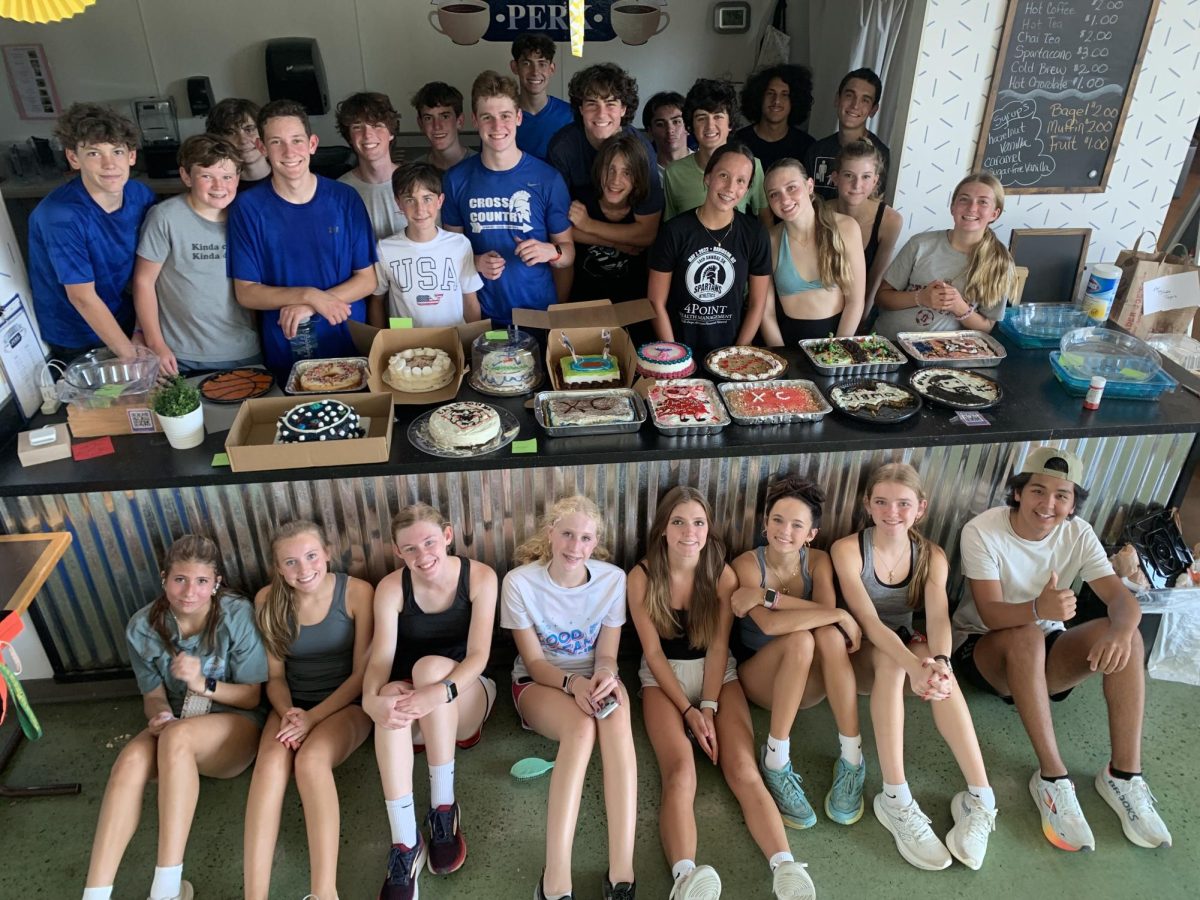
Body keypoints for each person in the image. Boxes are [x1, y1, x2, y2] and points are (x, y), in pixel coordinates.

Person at [952, 446, 1172, 852]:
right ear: (1018, 492)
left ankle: (1124, 775)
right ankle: (1052, 779)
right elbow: (988, 610)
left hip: (1045, 652)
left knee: (1128, 634)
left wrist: (1121, 631)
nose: (1048, 504)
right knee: (1027, 634)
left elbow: (1122, 601)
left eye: (1061, 496)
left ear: (1073, 504)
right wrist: (1038, 608)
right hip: (983, 649)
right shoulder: (982, 530)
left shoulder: (1078, 533)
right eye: (1038, 490)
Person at [627, 486, 817, 900]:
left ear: (709, 529)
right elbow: (653, 654)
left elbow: (718, 646)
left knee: (745, 771)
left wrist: (709, 707)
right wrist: (688, 711)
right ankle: (686, 877)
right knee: (680, 774)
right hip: (662, 681)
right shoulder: (641, 576)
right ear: (662, 529)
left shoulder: (721, 572)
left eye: (698, 522)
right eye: (678, 522)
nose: (688, 532)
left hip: (720, 676)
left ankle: (786, 867)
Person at [830, 463, 997, 871]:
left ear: (920, 508)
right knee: (893, 663)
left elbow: (939, 617)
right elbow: (868, 621)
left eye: (903, 504)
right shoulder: (848, 550)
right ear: (867, 504)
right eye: (882, 502)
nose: (892, 512)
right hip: (862, 652)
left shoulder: (932, 556)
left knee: (943, 675)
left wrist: (938, 663)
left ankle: (980, 798)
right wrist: (913, 664)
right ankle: (895, 798)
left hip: (908, 650)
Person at [81, 535, 266, 900]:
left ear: (216, 583)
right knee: (131, 758)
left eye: (201, 581)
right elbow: (152, 696)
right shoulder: (142, 626)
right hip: (177, 725)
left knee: (177, 737)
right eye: (180, 579)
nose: (189, 591)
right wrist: (160, 714)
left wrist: (202, 682)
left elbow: (251, 696)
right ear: (164, 578)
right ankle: (95, 894)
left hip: (233, 727)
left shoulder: (236, 615)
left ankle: (165, 888)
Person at [500, 495, 637, 900]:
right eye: (567, 534)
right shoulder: (520, 583)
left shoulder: (613, 580)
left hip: (594, 676)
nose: (575, 546)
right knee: (581, 730)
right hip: (541, 684)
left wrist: (604, 676)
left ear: (595, 544)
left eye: (585, 538)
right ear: (550, 535)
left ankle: (622, 870)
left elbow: (608, 653)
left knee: (615, 721)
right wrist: (572, 686)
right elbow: (534, 661)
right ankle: (556, 876)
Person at [363, 504, 499, 900]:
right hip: (418, 709)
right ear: (397, 552)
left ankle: (444, 807)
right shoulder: (391, 588)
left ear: (448, 536)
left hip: (467, 696)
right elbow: (381, 660)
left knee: (428, 668)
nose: (422, 556)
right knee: (389, 696)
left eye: (428, 542)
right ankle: (405, 843)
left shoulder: (480, 577)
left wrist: (435, 692)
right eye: (410, 549)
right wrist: (372, 701)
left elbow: (478, 656)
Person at [243, 520, 374, 900]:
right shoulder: (267, 600)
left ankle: (324, 892)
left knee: (311, 761)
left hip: (346, 705)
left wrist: (312, 719)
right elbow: (276, 677)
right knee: (268, 767)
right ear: (278, 568)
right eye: (291, 562)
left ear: (327, 553)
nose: (304, 569)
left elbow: (361, 675)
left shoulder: (357, 593)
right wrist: (290, 714)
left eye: (311, 556)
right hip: (290, 708)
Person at [730, 475, 866, 830]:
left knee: (827, 637)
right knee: (802, 638)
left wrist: (765, 595)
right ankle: (776, 760)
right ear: (764, 523)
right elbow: (771, 626)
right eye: (777, 520)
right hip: (761, 679)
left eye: (796, 525)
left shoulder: (819, 561)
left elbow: (824, 618)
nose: (784, 531)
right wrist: (838, 614)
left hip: (809, 683)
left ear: (811, 534)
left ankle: (852, 759)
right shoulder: (746, 565)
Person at [227, 99, 377, 382]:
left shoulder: (344, 199)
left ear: (312, 143)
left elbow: (367, 279)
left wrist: (312, 304)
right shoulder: (247, 209)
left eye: (297, 140)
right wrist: (308, 294)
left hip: (348, 344)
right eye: (276, 142)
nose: (289, 151)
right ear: (262, 148)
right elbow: (246, 292)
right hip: (287, 350)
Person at [442, 70, 574, 324]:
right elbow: (449, 253)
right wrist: (476, 262)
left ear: (519, 117)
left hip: (538, 314)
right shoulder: (456, 179)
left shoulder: (548, 178)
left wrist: (551, 252)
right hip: (480, 316)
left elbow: (568, 254)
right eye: (487, 117)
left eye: (505, 116)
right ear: (475, 121)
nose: (497, 126)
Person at [28, 102, 156, 362]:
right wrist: (133, 358)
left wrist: (140, 331)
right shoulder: (60, 216)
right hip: (76, 332)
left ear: (132, 156)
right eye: (94, 153)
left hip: (123, 316)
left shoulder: (140, 195)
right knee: (111, 397)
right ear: (74, 158)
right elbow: (82, 297)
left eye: (117, 151)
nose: (110, 164)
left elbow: (145, 270)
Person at [132, 134, 261, 375]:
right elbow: (143, 282)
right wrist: (155, 343)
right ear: (185, 176)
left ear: (238, 177)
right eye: (206, 176)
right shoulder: (165, 217)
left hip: (243, 350)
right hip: (180, 354)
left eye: (227, 177)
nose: (219, 186)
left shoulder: (245, 217)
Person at [648, 142, 771, 355]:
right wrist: (676, 357)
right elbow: (655, 302)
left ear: (747, 188)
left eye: (741, 181)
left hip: (732, 350)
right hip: (678, 349)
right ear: (707, 177)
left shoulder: (755, 234)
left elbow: (757, 304)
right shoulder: (674, 231)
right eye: (723, 175)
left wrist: (736, 355)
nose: (731, 188)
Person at [874, 171, 1015, 340]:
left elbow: (986, 327)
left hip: (943, 353)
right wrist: (920, 297)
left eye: (983, 202)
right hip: (890, 342)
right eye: (964, 199)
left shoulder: (999, 262)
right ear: (952, 207)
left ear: (994, 214)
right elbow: (882, 298)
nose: (972, 207)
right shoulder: (919, 244)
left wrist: (960, 308)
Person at [547, 62, 664, 256]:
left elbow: (646, 233)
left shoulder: (641, 149)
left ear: (623, 109)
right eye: (592, 103)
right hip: (576, 258)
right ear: (581, 108)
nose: (601, 114)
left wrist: (588, 224)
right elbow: (554, 226)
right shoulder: (563, 148)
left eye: (610, 103)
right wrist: (616, 243)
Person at [759, 158, 865, 342]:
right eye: (774, 194)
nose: (784, 199)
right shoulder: (769, 241)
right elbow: (766, 313)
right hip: (788, 342)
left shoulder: (846, 228)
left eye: (791, 187)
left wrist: (838, 352)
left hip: (840, 337)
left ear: (809, 186)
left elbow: (855, 302)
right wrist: (782, 357)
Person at [370, 162, 482, 327]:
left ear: (440, 201)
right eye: (410, 200)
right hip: (405, 345)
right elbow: (377, 300)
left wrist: (474, 343)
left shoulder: (459, 244)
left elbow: (470, 300)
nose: (420, 209)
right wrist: (381, 341)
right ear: (399, 203)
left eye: (427, 198)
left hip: (453, 338)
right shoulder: (385, 249)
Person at [664, 79, 771, 225]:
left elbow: (766, 220)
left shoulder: (752, 166)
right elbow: (670, 228)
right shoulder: (674, 172)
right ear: (690, 126)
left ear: (730, 124)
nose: (710, 125)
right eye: (701, 118)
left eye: (718, 117)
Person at [569, 132, 651, 303]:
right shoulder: (581, 200)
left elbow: (647, 238)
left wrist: (587, 224)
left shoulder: (644, 209)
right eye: (610, 169)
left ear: (638, 177)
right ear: (599, 170)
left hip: (632, 306)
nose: (615, 180)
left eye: (627, 172)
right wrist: (617, 244)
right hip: (584, 303)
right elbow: (563, 234)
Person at [832, 139, 901, 326]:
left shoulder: (890, 220)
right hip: (823, 306)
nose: (856, 185)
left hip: (864, 308)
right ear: (835, 177)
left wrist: (860, 320)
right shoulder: (819, 213)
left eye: (865, 177)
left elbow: (876, 278)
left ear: (875, 181)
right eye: (848, 175)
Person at [804, 68, 890, 202]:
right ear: (837, 99)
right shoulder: (816, 150)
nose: (855, 105)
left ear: (873, 110)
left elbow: (876, 207)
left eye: (865, 100)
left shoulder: (880, 155)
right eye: (849, 95)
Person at [336, 91, 406, 241]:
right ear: (349, 137)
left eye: (376, 125)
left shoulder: (416, 182)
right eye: (357, 127)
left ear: (391, 133)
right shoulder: (339, 192)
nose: (367, 135)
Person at [737, 65, 815, 172]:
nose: (776, 101)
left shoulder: (807, 146)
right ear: (759, 97)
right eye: (770, 93)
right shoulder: (738, 142)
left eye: (784, 94)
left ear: (794, 101)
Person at [512, 32, 573, 160]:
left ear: (551, 69)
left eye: (542, 64)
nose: (535, 72)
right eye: (527, 63)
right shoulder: (502, 116)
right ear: (515, 67)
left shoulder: (570, 115)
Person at [410, 82, 477, 172]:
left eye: (445, 117)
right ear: (420, 124)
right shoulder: (414, 173)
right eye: (428, 118)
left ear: (459, 121)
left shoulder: (481, 167)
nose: (437, 126)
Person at [207, 98, 271, 187]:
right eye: (230, 133)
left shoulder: (291, 176)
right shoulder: (221, 191)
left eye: (249, 129)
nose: (243, 140)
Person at [642, 91, 691, 175]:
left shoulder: (706, 164)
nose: (669, 130)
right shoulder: (642, 172)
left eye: (676, 122)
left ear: (689, 127)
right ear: (650, 131)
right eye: (660, 124)